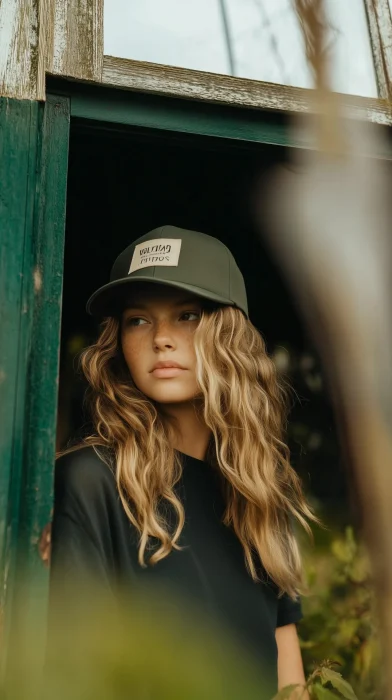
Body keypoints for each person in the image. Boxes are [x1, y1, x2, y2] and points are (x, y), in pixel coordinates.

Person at [49, 224, 317, 694]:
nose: (161, 339)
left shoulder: (259, 493)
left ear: (229, 334)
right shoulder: (91, 479)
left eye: (187, 315)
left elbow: (289, 682)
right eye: (138, 319)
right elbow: (75, 671)